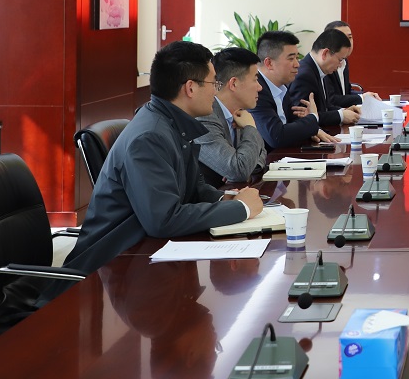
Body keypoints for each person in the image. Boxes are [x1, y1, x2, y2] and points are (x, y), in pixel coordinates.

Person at [62, 42, 262, 275]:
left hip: (147, 252)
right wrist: (241, 209)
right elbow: (164, 220)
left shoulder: (172, 122)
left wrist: (227, 198)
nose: (216, 92)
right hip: (114, 264)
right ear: (190, 88)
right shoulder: (149, 137)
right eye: (213, 84)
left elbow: (194, 189)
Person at [194, 47, 268, 187]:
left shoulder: (240, 113)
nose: (260, 87)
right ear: (234, 83)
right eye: (255, 79)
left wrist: (247, 167)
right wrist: (250, 127)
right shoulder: (204, 117)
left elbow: (261, 151)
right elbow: (238, 171)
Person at [250, 30, 334, 149]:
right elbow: (277, 137)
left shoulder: (282, 87)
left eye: (297, 58)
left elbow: (293, 122)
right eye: (291, 59)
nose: (297, 64)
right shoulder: (256, 91)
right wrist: (313, 118)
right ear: (269, 63)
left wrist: (311, 128)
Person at [284, 28, 362, 131]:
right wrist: (341, 116)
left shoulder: (319, 70)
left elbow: (324, 108)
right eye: (340, 60)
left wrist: (344, 110)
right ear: (325, 53)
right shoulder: (305, 75)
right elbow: (302, 117)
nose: (340, 65)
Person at [322, 20, 380, 109]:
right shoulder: (325, 64)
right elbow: (330, 99)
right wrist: (361, 98)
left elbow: (346, 92)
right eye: (342, 38)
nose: (348, 43)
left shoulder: (344, 61)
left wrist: (366, 96)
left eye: (349, 37)